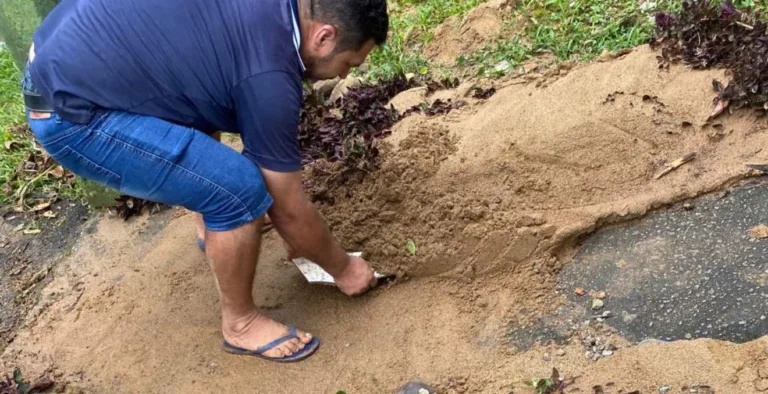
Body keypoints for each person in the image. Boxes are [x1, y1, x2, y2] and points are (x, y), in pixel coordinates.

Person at [22, 0, 389, 363]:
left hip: (61, 51)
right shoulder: (269, 73)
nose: (343, 76)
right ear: (324, 37)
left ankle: (210, 225)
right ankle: (241, 324)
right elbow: (288, 207)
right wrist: (342, 267)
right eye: (348, 64)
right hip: (71, 114)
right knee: (240, 191)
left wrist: (303, 239)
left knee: (205, 79)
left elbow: (204, 78)